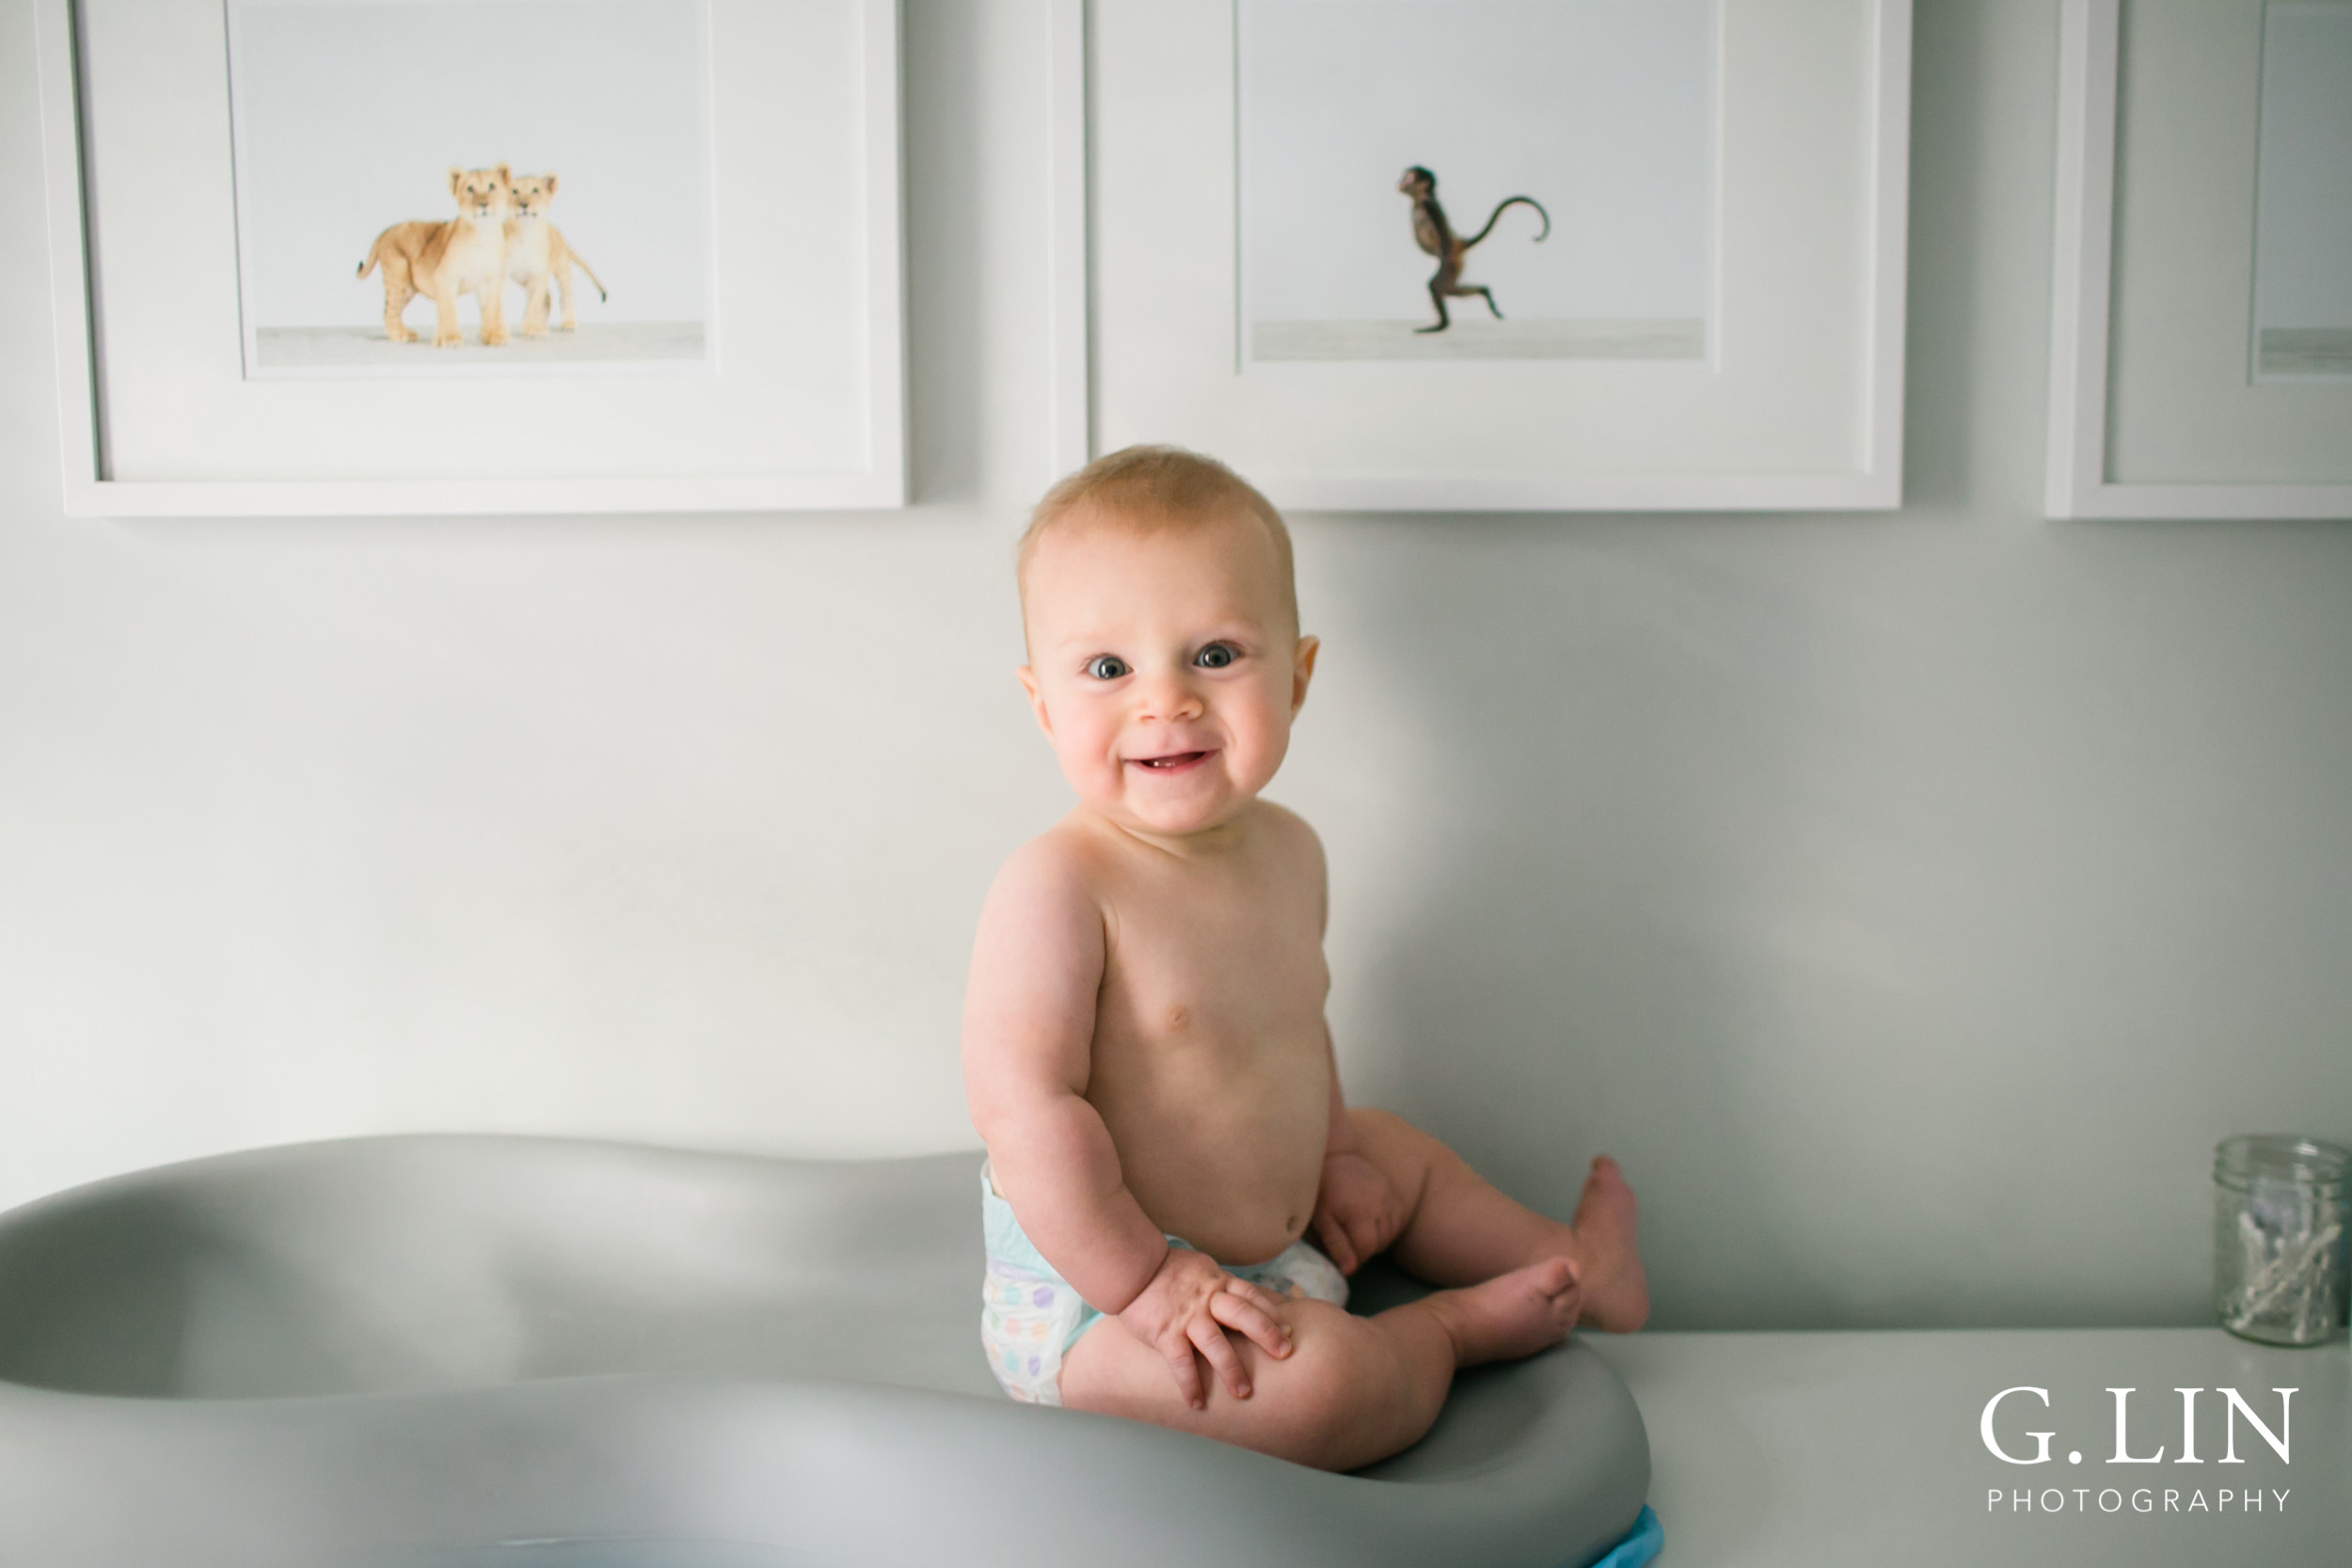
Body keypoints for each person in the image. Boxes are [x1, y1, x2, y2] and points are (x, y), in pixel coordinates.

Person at [961, 446, 1647, 1471]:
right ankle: (1445, 1333)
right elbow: (1027, 1118)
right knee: (1319, 1392)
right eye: (1108, 668)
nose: (1166, 701)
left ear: (1299, 673)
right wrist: (1149, 1283)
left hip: (1282, 1245)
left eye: (1215, 654)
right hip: (1099, 1297)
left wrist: (1332, 1154)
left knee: (1398, 1150)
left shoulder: (1291, 850)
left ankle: (1587, 1263)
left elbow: (1293, 1026)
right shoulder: (1058, 887)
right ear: (1043, 702)